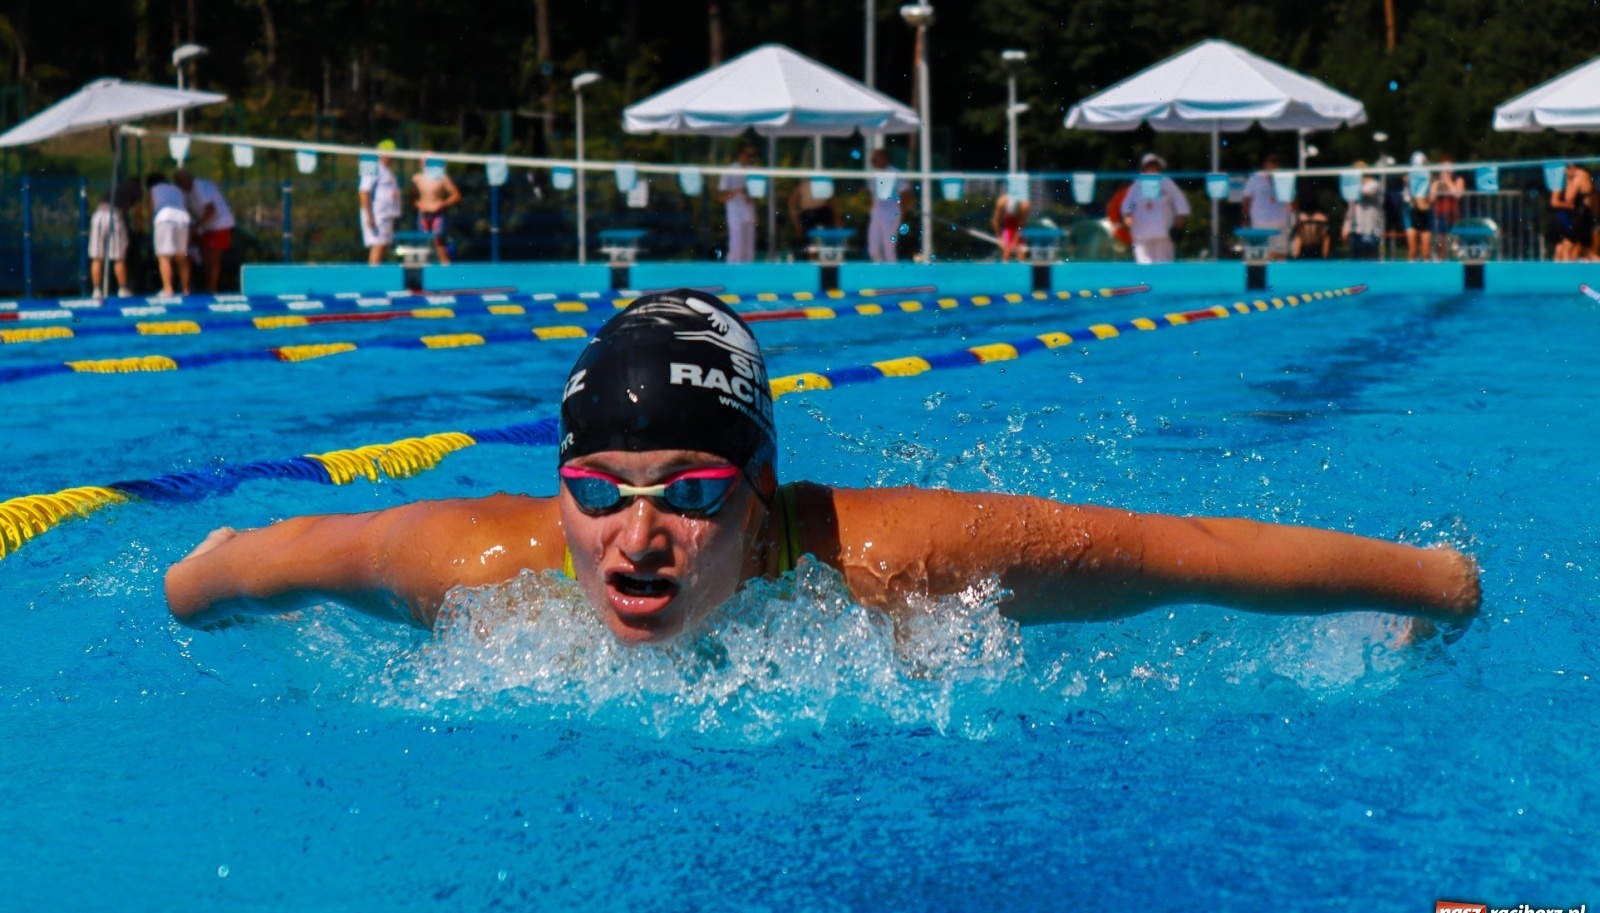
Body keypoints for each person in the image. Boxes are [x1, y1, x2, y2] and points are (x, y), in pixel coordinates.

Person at [165, 289, 1481, 649]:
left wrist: (1430, 579)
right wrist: (199, 597)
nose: (637, 537)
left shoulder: (895, 556)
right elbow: (219, 568)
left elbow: (1189, 555)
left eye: (688, 491)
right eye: (599, 488)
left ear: (758, 494)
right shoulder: (476, 562)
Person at [173, 168, 235, 293]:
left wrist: (197, 227)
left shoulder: (200, 187)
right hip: (208, 226)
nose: (179, 187)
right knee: (205, 257)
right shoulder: (187, 192)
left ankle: (212, 288)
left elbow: (211, 210)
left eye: (179, 183)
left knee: (213, 257)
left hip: (219, 224)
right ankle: (207, 286)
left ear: (186, 181)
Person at [1119, 153, 1190, 264]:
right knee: (1144, 264)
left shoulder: (1166, 182)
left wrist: (1180, 216)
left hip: (1164, 231)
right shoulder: (1137, 184)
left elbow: (1179, 199)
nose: (1152, 169)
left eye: (1154, 166)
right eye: (1149, 166)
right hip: (1141, 231)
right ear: (1144, 168)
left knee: (1163, 265)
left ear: (1159, 167)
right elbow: (1128, 202)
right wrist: (1127, 214)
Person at [88, 178, 140, 299]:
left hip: (98, 215)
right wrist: (139, 229)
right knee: (118, 257)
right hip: (114, 216)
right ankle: (123, 289)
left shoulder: (114, 188)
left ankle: (96, 290)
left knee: (97, 256)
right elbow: (138, 211)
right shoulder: (135, 189)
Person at [145, 172, 191, 297]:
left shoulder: (153, 189)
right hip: (183, 219)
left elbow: (151, 207)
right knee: (181, 256)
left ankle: (168, 289)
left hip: (164, 218)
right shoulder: (177, 189)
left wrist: (150, 225)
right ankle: (186, 289)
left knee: (164, 256)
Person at [411, 154, 462, 265]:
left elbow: (456, 195)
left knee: (439, 244)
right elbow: (411, 197)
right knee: (423, 244)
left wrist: (442, 204)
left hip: (437, 215)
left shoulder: (443, 178)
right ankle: (423, 273)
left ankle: (446, 274)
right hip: (423, 215)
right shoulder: (418, 178)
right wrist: (419, 204)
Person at [1240, 153, 1293, 260]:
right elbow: (1246, 200)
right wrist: (1245, 220)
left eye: (1276, 162)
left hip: (1280, 223)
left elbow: (1293, 200)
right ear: (1265, 164)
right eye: (1271, 162)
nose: (1273, 165)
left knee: (1280, 255)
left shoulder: (1285, 178)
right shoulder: (1255, 177)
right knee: (1261, 256)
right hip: (1260, 223)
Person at [359, 140, 403, 266]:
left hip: (385, 215)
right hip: (377, 215)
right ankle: (372, 279)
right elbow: (363, 192)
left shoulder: (386, 170)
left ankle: (376, 277)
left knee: (383, 245)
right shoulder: (372, 167)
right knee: (378, 245)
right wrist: (369, 217)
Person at [718, 142, 759, 263]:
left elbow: (757, 196)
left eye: (752, 155)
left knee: (749, 248)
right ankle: (732, 274)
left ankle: (747, 277)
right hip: (735, 213)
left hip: (749, 213)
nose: (749, 157)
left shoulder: (754, 171)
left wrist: (751, 197)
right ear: (740, 154)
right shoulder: (729, 171)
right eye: (747, 154)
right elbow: (720, 196)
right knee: (736, 245)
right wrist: (737, 191)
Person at [866, 149, 910, 263]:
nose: (873, 161)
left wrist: (901, 213)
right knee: (873, 248)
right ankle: (879, 271)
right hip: (877, 212)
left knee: (889, 247)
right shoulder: (873, 174)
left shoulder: (895, 173)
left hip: (891, 213)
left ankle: (892, 275)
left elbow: (905, 194)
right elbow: (873, 195)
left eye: (876, 158)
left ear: (885, 158)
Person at [1550, 162, 1594, 263]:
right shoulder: (1585, 175)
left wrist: (1568, 181)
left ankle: (1567, 277)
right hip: (1587, 215)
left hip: (1582, 215)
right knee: (1588, 252)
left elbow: (1569, 198)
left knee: (1566, 247)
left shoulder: (1578, 178)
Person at [1428, 157, 1467, 261]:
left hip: (1455, 216)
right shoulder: (1437, 182)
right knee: (1442, 247)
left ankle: (1455, 271)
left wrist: (1448, 181)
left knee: (1455, 247)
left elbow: (1458, 195)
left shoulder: (1458, 180)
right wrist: (1437, 186)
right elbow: (1430, 200)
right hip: (1440, 216)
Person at [1343, 167, 1384, 260]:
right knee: (1355, 259)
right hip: (1355, 229)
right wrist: (1345, 227)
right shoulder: (1353, 187)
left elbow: (1363, 192)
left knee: (1370, 258)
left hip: (1369, 229)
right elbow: (1350, 209)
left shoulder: (1374, 184)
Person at [787, 176, 838, 247]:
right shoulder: (805, 185)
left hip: (821, 213)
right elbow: (791, 202)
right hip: (809, 216)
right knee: (810, 243)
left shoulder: (822, 184)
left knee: (823, 241)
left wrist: (836, 217)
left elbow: (832, 202)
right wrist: (796, 222)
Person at [1404, 152, 1433, 262]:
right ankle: (1409, 276)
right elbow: (1413, 199)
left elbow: (1430, 199)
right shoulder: (1409, 178)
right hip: (1412, 212)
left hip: (1425, 213)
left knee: (1426, 253)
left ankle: (1428, 277)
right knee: (1413, 251)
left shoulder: (1428, 177)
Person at [1290, 190, 1331, 260]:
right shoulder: (1322, 218)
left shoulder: (1300, 219)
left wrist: (1295, 256)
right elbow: (1326, 238)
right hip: (1318, 251)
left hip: (1303, 252)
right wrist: (1325, 257)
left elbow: (1298, 238)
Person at [991, 189, 1030, 262]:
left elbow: (1021, 226)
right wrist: (1000, 238)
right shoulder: (1002, 203)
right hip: (1008, 231)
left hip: (1017, 231)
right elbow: (995, 221)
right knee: (1007, 251)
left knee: (1021, 253)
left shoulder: (1024, 205)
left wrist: (1014, 242)